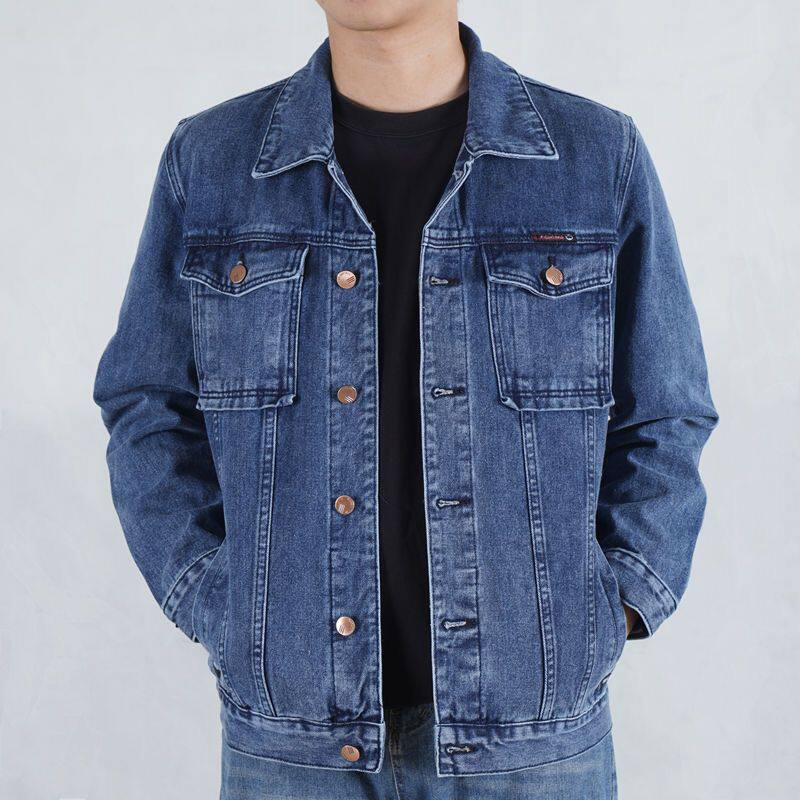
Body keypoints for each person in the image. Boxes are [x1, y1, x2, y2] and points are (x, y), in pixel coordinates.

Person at [93, 1, 718, 797]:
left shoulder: (596, 158)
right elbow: (146, 404)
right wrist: (214, 597)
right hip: (290, 751)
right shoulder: (212, 163)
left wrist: (615, 602)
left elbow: (667, 412)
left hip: (534, 749)